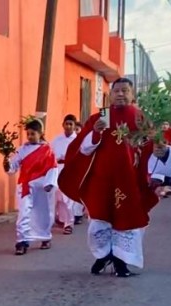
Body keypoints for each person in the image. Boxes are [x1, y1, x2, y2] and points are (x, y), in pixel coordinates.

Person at [58, 78, 158, 277]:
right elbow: (83, 148)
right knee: (100, 218)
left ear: (132, 95)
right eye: (117, 91)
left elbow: (152, 149)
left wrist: (156, 176)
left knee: (127, 218)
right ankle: (103, 255)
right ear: (110, 95)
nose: (120, 94)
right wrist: (95, 132)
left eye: (125, 91)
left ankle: (122, 261)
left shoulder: (140, 118)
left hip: (129, 179)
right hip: (101, 179)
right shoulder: (101, 117)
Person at [6, 119, 59, 255]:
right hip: (25, 187)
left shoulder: (47, 150)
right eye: (28, 134)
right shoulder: (22, 150)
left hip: (41, 188)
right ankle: (22, 241)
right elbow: (13, 166)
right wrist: (7, 164)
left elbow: (52, 168)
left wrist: (49, 183)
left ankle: (45, 237)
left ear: (40, 134)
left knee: (43, 215)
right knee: (23, 214)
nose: (29, 137)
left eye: (33, 134)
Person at [51, 114, 78, 234]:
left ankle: (69, 223)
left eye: (70, 124)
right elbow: (50, 154)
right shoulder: (56, 139)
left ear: (74, 126)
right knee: (57, 197)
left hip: (70, 170)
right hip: (56, 169)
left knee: (68, 198)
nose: (68, 126)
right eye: (66, 124)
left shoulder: (78, 140)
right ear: (63, 124)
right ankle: (61, 219)